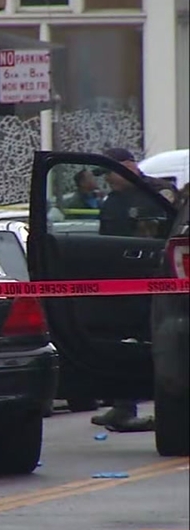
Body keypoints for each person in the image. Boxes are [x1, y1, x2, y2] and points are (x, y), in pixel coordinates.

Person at [93, 147, 171, 433]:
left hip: (155, 282)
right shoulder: (113, 200)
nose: (107, 180)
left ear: (128, 166)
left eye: (110, 173)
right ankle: (123, 406)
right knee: (123, 342)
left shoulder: (158, 193)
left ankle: (170, 411)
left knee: (160, 345)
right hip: (121, 284)